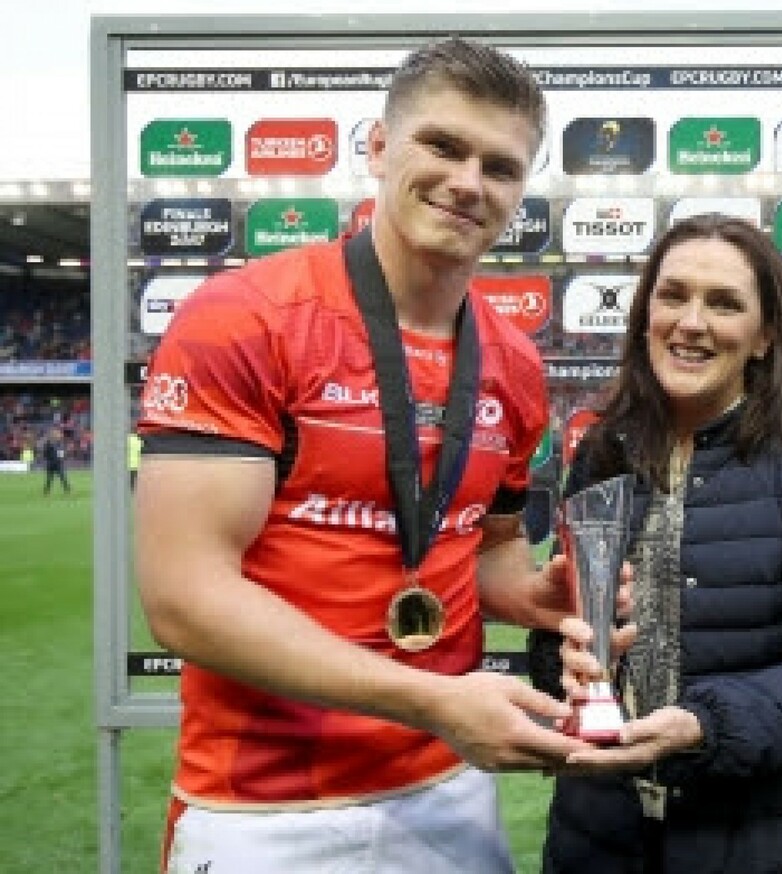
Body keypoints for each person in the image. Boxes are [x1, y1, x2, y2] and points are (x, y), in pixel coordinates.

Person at [135, 38, 595, 874]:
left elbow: (484, 548)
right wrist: (435, 703)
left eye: (500, 165)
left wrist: (534, 596)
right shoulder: (246, 317)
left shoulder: (514, 363)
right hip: (260, 809)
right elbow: (185, 600)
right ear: (379, 149)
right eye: (443, 145)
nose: (468, 181)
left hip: (448, 791)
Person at [529, 213, 782, 872]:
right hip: (601, 842)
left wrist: (702, 726)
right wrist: (567, 668)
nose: (691, 322)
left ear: (764, 338)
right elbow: (563, 636)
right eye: (674, 296)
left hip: (774, 844)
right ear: (644, 316)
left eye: (724, 304)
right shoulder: (602, 455)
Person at [41, 427, 70, 495]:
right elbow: (45, 453)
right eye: (57, 434)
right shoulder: (48, 444)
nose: (59, 435)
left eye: (58, 434)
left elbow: (62, 452)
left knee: (62, 476)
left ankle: (66, 489)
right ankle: (47, 490)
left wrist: (62, 456)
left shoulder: (59, 443)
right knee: (50, 478)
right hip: (51, 463)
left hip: (57, 463)